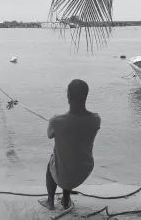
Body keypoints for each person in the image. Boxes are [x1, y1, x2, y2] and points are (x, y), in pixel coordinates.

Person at [39, 79, 101, 210]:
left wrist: (55, 121)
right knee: (71, 153)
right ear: (86, 96)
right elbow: (78, 126)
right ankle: (65, 200)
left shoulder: (57, 121)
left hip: (66, 174)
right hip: (83, 170)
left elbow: (49, 135)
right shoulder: (96, 119)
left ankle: (50, 201)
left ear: (68, 96)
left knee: (54, 157)